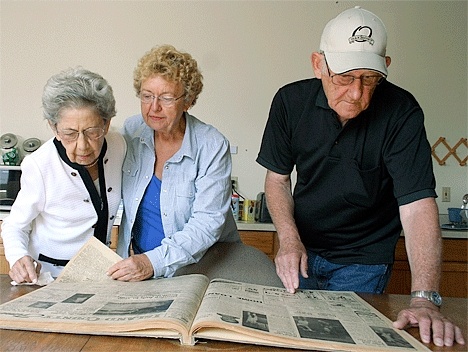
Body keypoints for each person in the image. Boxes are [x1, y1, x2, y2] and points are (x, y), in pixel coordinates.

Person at [256, 6, 464, 347]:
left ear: (386, 69)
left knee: (347, 343)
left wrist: (425, 298)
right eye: (344, 78)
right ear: (318, 64)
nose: (356, 92)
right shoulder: (290, 102)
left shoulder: (401, 112)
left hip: (364, 259)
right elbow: (277, 180)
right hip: (304, 250)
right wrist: (290, 240)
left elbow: (417, 206)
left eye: (369, 79)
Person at [108, 45, 240, 281]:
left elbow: (206, 224)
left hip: (199, 271)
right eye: (147, 96)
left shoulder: (211, 145)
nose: (154, 107)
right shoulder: (131, 131)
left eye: (166, 98)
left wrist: (152, 262)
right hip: (140, 269)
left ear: (187, 101)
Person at [1, 67, 126, 282]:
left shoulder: (118, 146)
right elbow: (15, 225)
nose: (82, 145)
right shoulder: (40, 165)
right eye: (70, 133)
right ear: (54, 127)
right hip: (50, 277)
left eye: (92, 131)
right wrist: (18, 257)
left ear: (106, 123)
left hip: (102, 275)